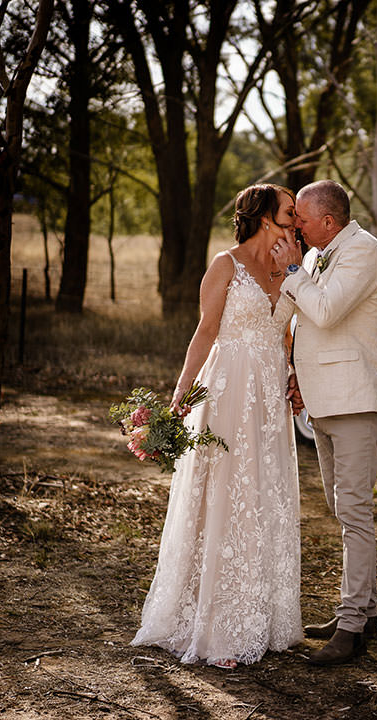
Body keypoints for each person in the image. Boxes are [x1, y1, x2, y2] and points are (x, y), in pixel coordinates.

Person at [131, 184, 303, 670]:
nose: (297, 220)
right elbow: (205, 331)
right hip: (227, 393)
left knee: (264, 494)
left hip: (270, 396)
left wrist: (294, 376)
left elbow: (289, 334)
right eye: (289, 212)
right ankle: (219, 628)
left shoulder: (292, 267)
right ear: (266, 217)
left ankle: (263, 620)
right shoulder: (225, 265)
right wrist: (179, 394)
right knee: (227, 495)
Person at [271, 179, 377, 666]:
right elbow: (306, 324)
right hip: (326, 401)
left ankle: (350, 627)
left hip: (356, 402)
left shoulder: (363, 251)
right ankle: (365, 612)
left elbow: (323, 310)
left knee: (355, 515)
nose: (294, 226)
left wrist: (292, 269)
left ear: (328, 221)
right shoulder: (325, 254)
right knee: (344, 510)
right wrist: (297, 372)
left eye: (301, 218)